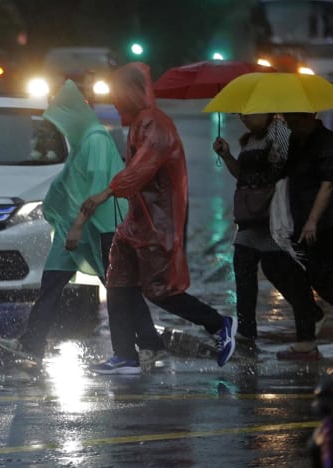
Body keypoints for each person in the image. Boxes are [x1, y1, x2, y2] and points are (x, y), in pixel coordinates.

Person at [0, 80, 167, 369]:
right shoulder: (80, 142)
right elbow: (69, 183)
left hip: (100, 226)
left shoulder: (96, 138)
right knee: (52, 281)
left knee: (119, 287)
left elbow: (97, 188)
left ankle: (150, 343)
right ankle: (31, 344)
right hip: (75, 227)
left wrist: (76, 226)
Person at [77, 62, 236, 374]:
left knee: (159, 290)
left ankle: (218, 324)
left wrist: (105, 194)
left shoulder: (156, 125)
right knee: (118, 284)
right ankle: (125, 355)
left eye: (118, 94)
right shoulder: (138, 122)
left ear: (133, 92)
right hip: (136, 222)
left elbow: (140, 169)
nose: (115, 102)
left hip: (158, 224)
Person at [213, 113, 324, 358]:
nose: (244, 118)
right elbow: (241, 174)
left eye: (249, 113)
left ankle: (308, 317)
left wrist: (276, 161)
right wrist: (227, 155)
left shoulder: (281, 132)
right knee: (242, 269)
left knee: (280, 271)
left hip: (271, 216)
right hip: (248, 215)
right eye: (240, 114)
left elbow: (288, 168)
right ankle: (246, 332)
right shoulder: (249, 138)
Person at [280, 112, 333, 358]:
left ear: (307, 118)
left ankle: (307, 338)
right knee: (295, 276)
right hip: (298, 223)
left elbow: (328, 183)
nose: (291, 127)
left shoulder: (326, 142)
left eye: (293, 122)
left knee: (322, 278)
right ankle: (306, 339)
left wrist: (312, 221)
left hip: (323, 226)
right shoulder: (294, 141)